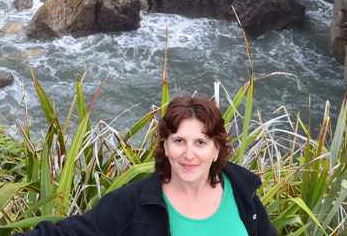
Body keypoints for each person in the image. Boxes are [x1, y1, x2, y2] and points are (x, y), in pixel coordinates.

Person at [17, 95, 277, 235]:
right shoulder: (131, 204)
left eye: (200, 142)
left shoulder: (243, 195)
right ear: (165, 146)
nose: (189, 154)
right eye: (178, 141)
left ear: (216, 149)